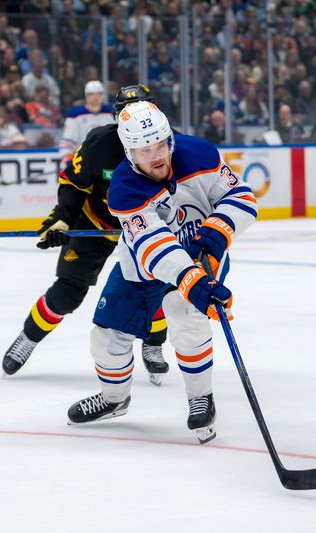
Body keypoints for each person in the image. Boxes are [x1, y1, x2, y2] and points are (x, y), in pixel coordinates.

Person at [66, 101, 257, 444]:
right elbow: (154, 246)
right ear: (128, 151)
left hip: (200, 250)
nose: (155, 156)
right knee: (106, 335)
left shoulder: (199, 154)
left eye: (159, 145)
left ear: (170, 139)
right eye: (143, 150)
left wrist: (220, 227)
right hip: (144, 264)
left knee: (186, 313)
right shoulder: (124, 188)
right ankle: (113, 399)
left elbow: (241, 196)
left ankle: (201, 397)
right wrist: (189, 280)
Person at [2, 85, 170, 385]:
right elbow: (73, 182)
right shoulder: (100, 143)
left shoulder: (172, 145)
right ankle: (29, 336)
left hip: (143, 228)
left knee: (155, 289)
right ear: (117, 117)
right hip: (95, 222)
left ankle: (154, 343)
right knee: (67, 292)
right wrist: (63, 219)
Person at [57, 80, 114, 165]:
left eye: (99, 93)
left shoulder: (112, 113)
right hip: (83, 162)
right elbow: (67, 143)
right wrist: (69, 159)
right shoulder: (75, 115)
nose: (95, 97)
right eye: (91, 94)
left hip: (107, 161)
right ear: (86, 96)